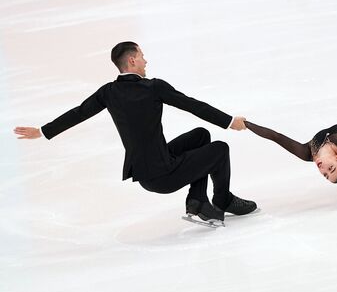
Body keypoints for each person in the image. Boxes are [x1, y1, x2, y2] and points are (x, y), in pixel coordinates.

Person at [13, 41, 256, 225]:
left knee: (201, 136)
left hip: (145, 172)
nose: (146, 61)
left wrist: (43, 131)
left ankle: (198, 200)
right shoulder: (153, 87)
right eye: (141, 56)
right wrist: (229, 122)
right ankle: (221, 199)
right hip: (164, 174)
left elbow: (78, 113)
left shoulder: (108, 92)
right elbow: (192, 105)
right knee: (220, 149)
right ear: (131, 61)